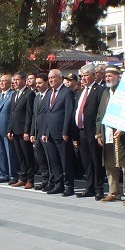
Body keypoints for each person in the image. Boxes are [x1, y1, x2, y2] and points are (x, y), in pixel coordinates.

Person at [96, 66, 125, 205]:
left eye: (110, 76)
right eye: (106, 76)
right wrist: (99, 133)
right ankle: (113, 192)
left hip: (122, 134)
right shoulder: (105, 92)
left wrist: (123, 128)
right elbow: (100, 114)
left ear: (118, 76)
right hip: (107, 132)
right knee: (109, 164)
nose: (108, 78)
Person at [72, 64, 105, 200]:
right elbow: (76, 111)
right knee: (86, 161)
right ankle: (89, 187)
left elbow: (101, 112)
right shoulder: (80, 92)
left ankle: (99, 189)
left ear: (93, 76)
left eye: (86, 75)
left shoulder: (100, 90)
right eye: (82, 76)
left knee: (96, 161)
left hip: (93, 131)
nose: (83, 78)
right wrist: (75, 134)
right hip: (81, 131)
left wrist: (99, 132)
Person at [41, 68, 75, 196]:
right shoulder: (49, 93)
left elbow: (68, 113)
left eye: (53, 78)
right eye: (49, 78)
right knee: (54, 160)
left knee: (65, 161)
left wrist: (66, 131)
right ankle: (58, 184)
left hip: (61, 133)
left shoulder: (67, 92)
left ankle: (69, 186)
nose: (50, 80)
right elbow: (47, 114)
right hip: (50, 132)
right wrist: (44, 132)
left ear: (60, 78)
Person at [8, 72, 35, 188]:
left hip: (24, 130)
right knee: (20, 156)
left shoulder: (29, 94)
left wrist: (27, 131)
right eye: (13, 80)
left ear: (24, 80)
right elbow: (12, 113)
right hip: (15, 129)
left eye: (17, 80)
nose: (14, 82)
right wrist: (10, 129)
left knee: (28, 156)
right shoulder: (14, 94)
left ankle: (30, 179)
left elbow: (29, 114)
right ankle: (22, 177)